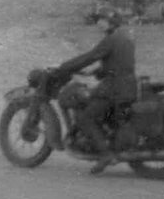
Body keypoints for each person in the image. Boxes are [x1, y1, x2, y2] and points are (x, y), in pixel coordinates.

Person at [52, 14, 137, 175]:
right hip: (128, 86)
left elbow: (90, 57)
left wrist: (64, 67)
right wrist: (95, 72)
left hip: (114, 89)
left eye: (102, 20)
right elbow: (119, 63)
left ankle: (105, 154)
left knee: (85, 117)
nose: (99, 24)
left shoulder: (111, 39)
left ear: (110, 22)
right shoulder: (126, 38)